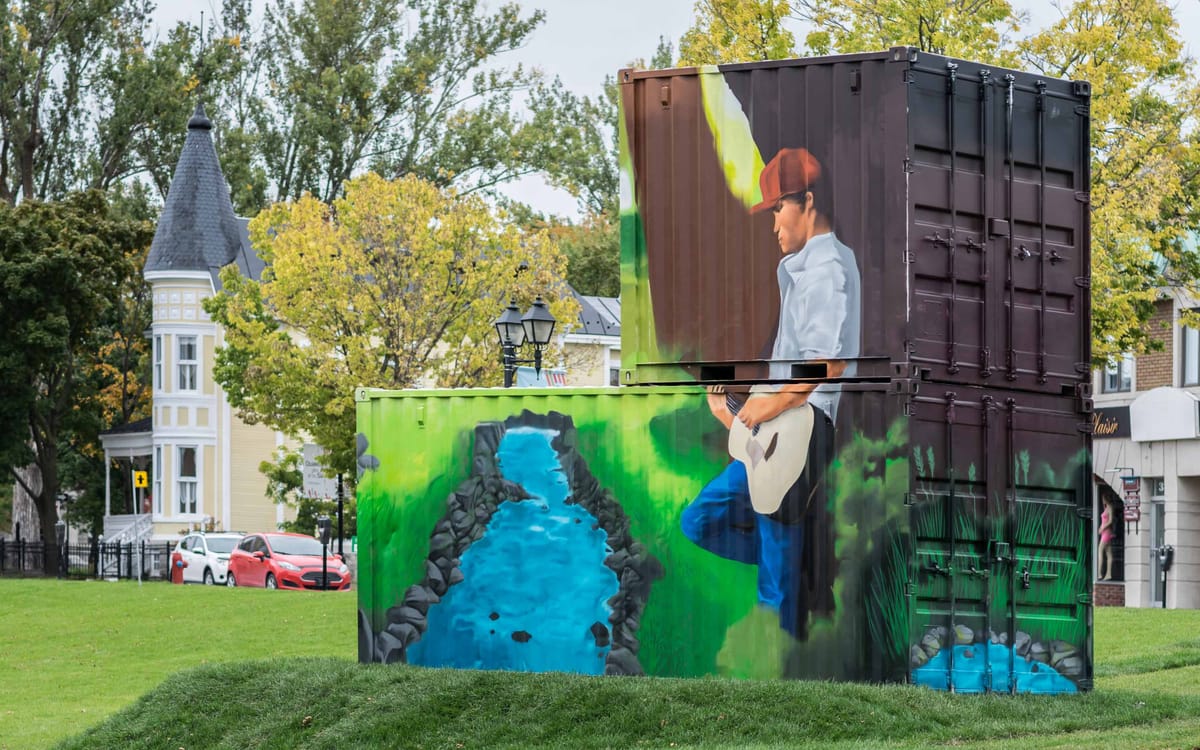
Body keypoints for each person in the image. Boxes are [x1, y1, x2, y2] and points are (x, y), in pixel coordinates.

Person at [681, 147, 861, 639]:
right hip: (779, 425)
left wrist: (767, 403)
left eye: (778, 209)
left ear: (807, 201)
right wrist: (730, 413)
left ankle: (780, 676)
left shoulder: (828, 273)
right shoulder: (801, 271)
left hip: (803, 428)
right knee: (699, 521)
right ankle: (800, 573)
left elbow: (829, 362)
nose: (773, 224)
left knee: (775, 585)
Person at [1098, 495, 1116, 581]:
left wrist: (1103, 527)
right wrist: (1101, 528)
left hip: (1107, 532)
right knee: (1108, 553)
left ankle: (1099, 573)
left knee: (1100, 550)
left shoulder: (1110, 507)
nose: (1102, 500)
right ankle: (1108, 574)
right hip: (1104, 532)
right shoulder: (1106, 507)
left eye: (1103, 499)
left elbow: (1110, 520)